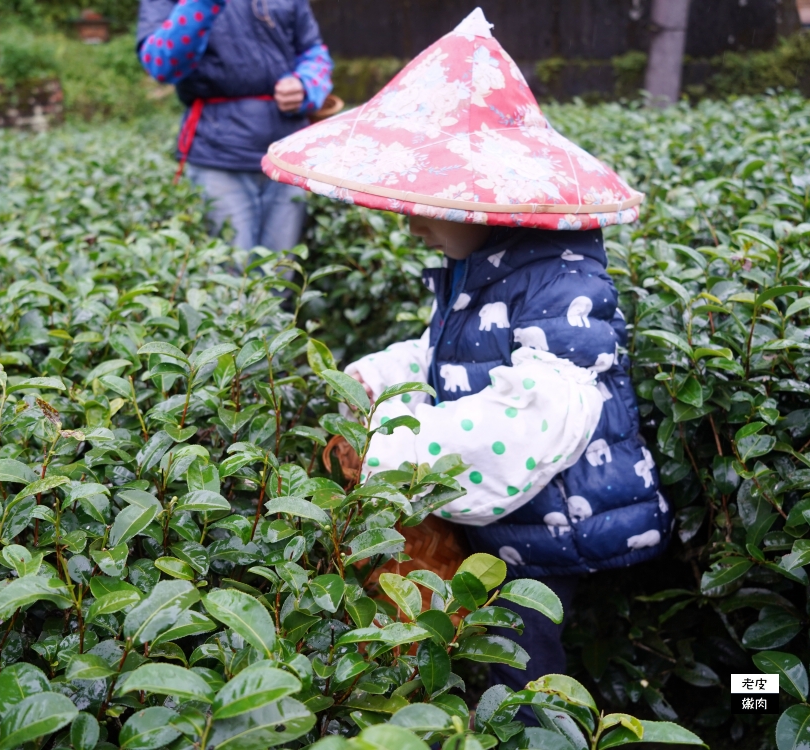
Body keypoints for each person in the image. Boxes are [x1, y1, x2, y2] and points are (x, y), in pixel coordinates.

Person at [261, 7, 672, 716]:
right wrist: (373, 377)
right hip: (511, 520)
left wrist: (399, 449)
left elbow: (539, 412)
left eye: (428, 197)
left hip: (550, 523)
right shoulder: (479, 266)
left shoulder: (561, 280)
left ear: (490, 197)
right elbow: (446, 358)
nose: (408, 217)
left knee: (518, 669)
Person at [135, 0, 333, 255]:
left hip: (287, 157)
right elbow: (160, 63)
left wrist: (306, 85)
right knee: (227, 275)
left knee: (281, 273)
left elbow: (314, 51)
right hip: (218, 156)